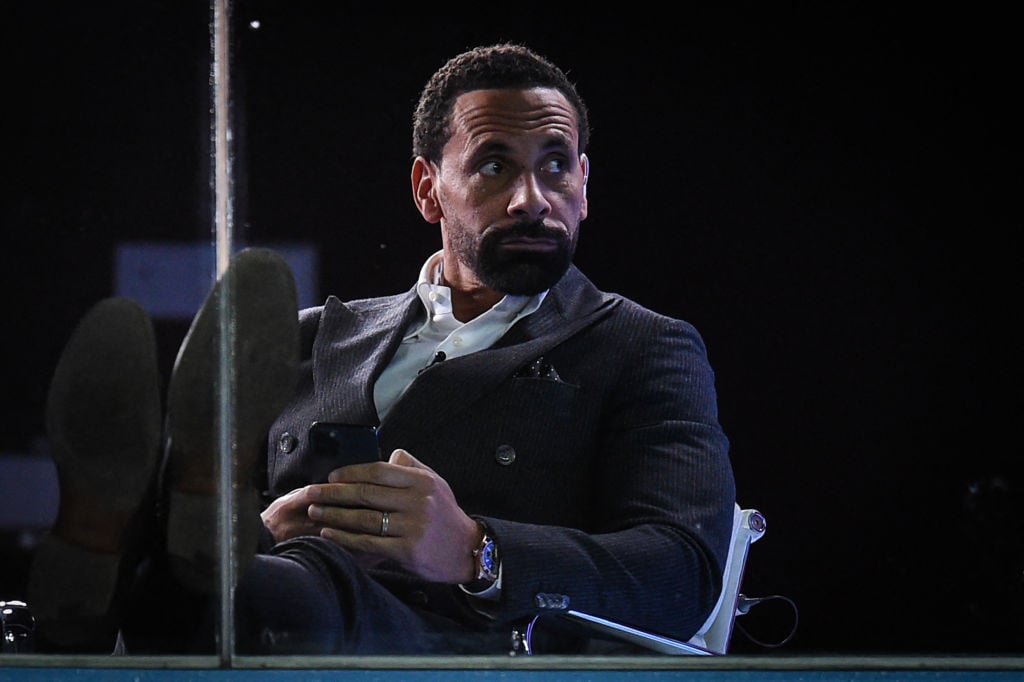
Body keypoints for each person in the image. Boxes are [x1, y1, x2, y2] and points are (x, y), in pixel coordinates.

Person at [26, 42, 736, 655]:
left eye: (555, 165)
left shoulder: (642, 346)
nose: (530, 198)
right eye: (494, 166)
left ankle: (120, 553)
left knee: (285, 589)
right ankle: (140, 545)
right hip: (262, 618)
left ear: (584, 185)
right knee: (208, 579)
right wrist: (264, 530)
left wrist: (475, 550)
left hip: (457, 647)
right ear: (429, 190)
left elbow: (683, 570)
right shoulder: (303, 336)